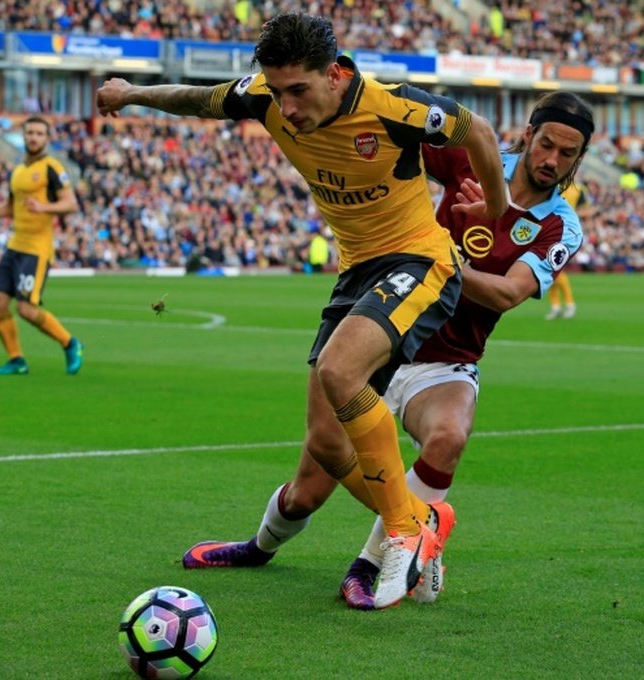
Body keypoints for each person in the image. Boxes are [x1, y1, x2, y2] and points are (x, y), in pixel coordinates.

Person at [96, 12, 508, 609]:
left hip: (420, 260)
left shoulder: (394, 107)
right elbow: (194, 99)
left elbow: (480, 133)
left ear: (337, 74)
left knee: (341, 372)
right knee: (326, 444)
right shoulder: (263, 96)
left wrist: (495, 211)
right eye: (277, 91)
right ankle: (423, 519)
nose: (285, 108)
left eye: (299, 91)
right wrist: (133, 93)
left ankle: (402, 531)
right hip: (357, 270)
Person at [179, 91, 593, 610]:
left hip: (443, 361)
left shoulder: (560, 225)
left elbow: (508, 293)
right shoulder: (476, 157)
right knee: (307, 489)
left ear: (579, 159)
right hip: (383, 336)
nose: (552, 160)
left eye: (567, 154)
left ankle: (370, 564)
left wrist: (437, 262)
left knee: (448, 436)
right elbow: (405, 133)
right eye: (547, 144)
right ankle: (262, 547)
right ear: (528, 134)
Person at [0, 116, 84, 376]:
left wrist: (45, 207)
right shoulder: (18, 171)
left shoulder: (53, 167)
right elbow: (10, 207)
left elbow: (71, 203)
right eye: (30, 133)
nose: (33, 137)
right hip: (15, 244)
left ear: (46, 138)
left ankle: (70, 342)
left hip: (37, 248)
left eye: (39, 134)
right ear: (23, 135)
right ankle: (16, 359)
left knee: (26, 309)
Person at [546, 179, 592, 319]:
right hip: (550, 228)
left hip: (567, 230)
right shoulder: (552, 185)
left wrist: (571, 214)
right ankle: (556, 306)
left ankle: (568, 304)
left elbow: (588, 211)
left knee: (555, 268)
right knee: (549, 268)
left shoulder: (579, 189)